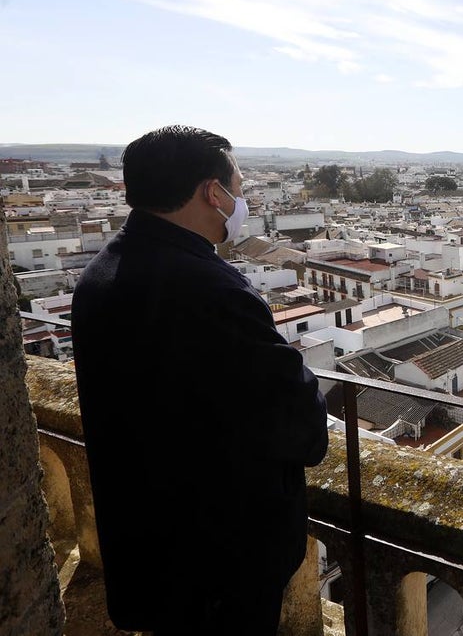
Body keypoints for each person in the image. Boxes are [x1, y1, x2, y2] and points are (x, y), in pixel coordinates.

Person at [71, 126, 329, 635]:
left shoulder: (101, 274)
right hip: (220, 560)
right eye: (239, 185)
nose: (243, 199)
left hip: (148, 543)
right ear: (215, 193)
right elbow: (299, 423)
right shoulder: (208, 290)